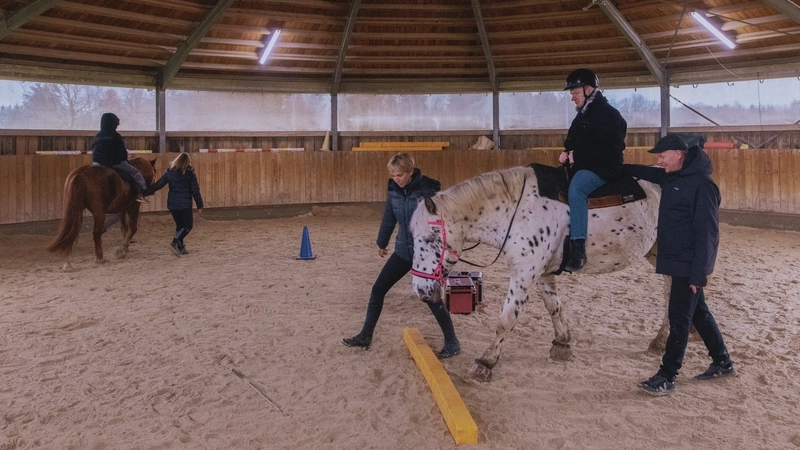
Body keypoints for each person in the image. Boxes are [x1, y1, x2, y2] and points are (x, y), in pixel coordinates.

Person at [624, 134, 736, 396]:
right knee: (699, 313)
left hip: (689, 265)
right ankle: (723, 362)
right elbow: (642, 171)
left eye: (663, 156)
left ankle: (667, 376)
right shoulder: (671, 177)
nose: (659, 161)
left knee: (679, 318)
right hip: (676, 260)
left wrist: (699, 274)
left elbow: (708, 234)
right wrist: (610, 166)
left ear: (677, 153)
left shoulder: (703, 186)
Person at [342, 152, 461, 358]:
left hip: (424, 256)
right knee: (378, 290)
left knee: (431, 298)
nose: (396, 179)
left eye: (400, 175)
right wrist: (382, 243)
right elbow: (389, 218)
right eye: (393, 175)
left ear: (410, 172)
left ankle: (452, 342)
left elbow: (444, 222)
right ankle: (365, 335)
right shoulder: (394, 192)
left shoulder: (428, 192)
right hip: (403, 252)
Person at [560, 69, 627, 271]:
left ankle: (578, 247)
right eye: (572, 93)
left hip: (604, 168)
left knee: (577, 189)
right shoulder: (584, 113)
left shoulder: (609, 115)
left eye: (575, 93)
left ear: (588, 89)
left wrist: (577, 156)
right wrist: (567, 153)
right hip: (583, 164)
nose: (572, 97)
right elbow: (577, 142)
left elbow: (610, 148)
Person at [144, 152, 204, 256]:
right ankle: (175, 242)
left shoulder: (169, 173)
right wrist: (200, 205)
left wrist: (144, 192)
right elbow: (195, 190)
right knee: (188, 226)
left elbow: (158, 185)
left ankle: (180, 247)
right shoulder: (190, 174)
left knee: (180, 225)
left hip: (173, 204)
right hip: (185, 204)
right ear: (188, 162)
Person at [91, 112, 149, 202]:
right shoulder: (115, 136)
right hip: (113, 163)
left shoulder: (97, 136)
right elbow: (121, 152)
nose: (116, 127)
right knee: (136, 173)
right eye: (116, 125)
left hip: (97, 164)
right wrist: (124, 158)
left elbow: (93, 149)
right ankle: (141, 193)